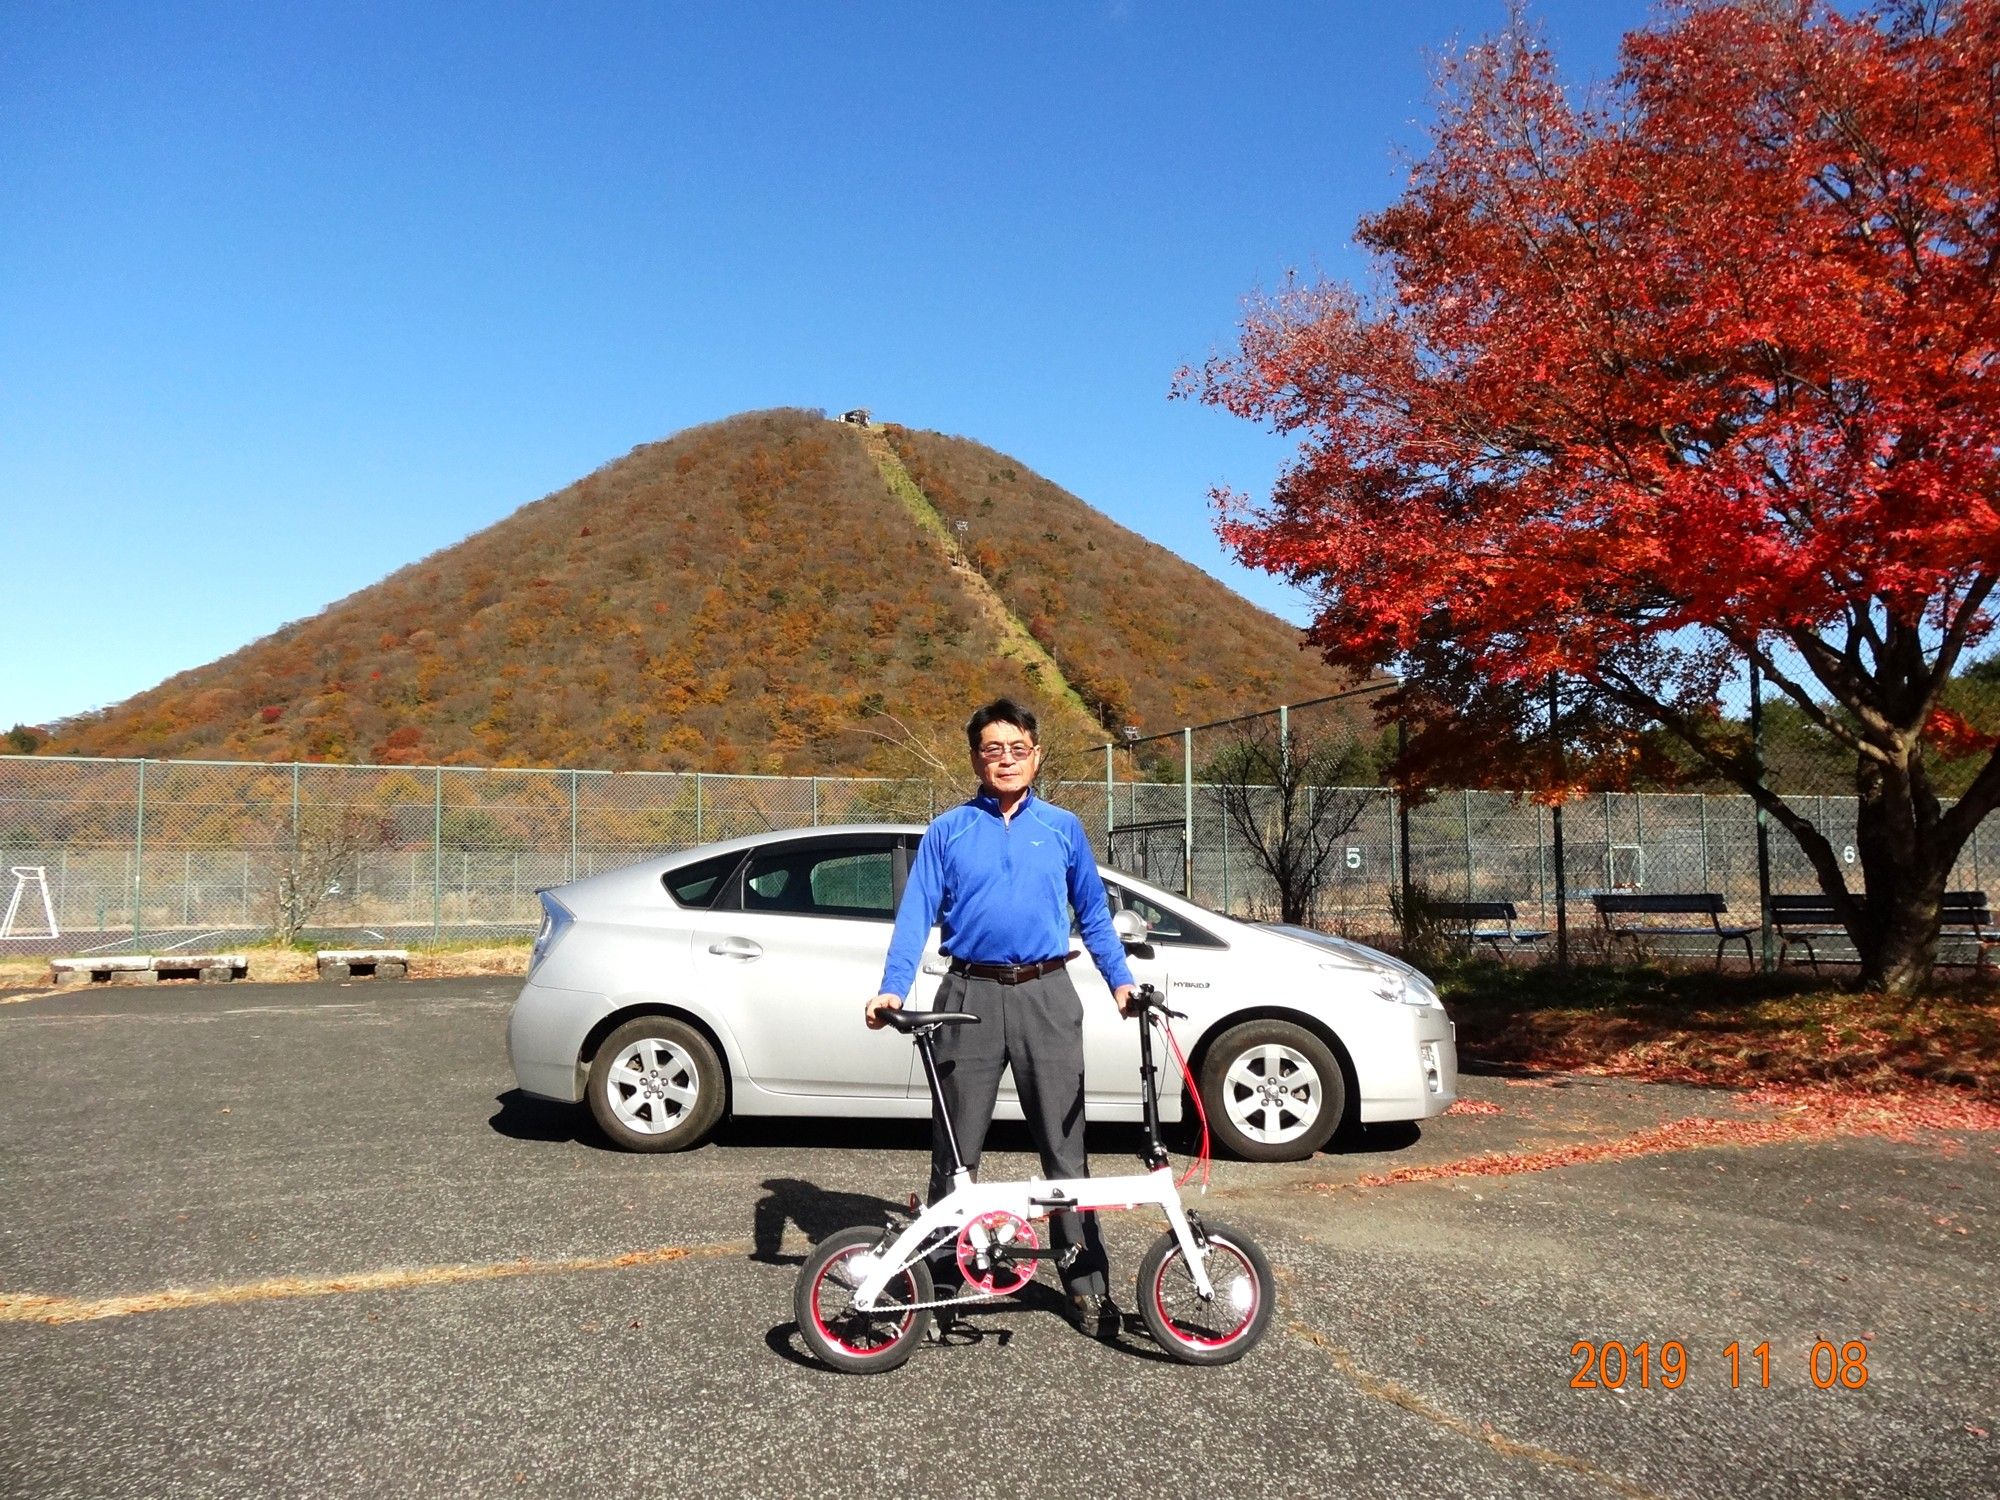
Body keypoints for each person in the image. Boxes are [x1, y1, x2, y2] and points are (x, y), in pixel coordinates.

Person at [866, 698, 1137, 1339]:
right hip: (969, 998)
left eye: (1018, 749)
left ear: (1036, 755)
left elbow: (1094, 915)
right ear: (976, 759)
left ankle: (1086, 1282)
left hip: (1048, 993)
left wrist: (1120, 980)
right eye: (993, 749)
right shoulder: (949, 830)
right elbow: (915, 917)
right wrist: (892, 988)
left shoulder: (1065, 828)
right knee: (955, 1153)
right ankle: (942, 1283)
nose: (1006, 760)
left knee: (1065, 1151)